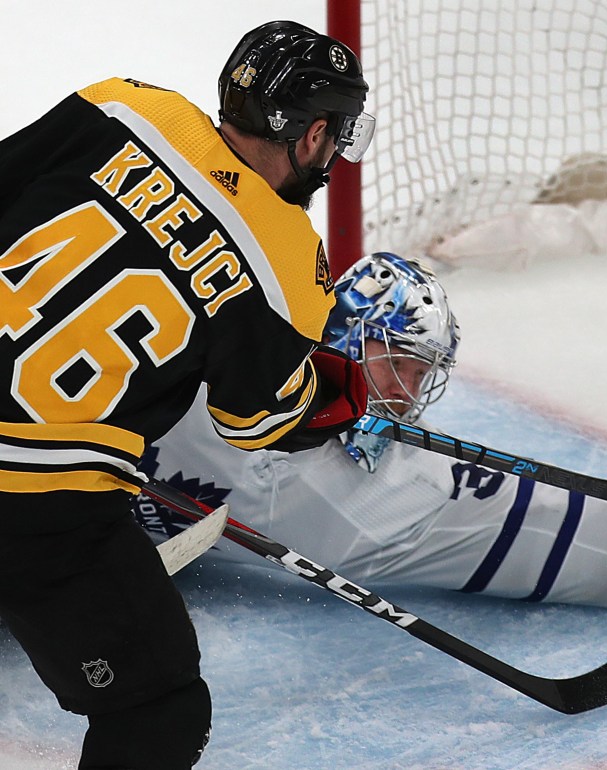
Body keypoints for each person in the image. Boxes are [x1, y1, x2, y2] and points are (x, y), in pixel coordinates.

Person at [136, 252, 607, 613]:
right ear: (343, 336)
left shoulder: (372, 484)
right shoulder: (332, 485)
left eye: (421, 373)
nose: (407, 394)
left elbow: (515, 526)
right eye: (396, 364)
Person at [0, 20, 373, 769]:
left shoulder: (123, 105)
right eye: (335, 135)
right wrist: (324, 395)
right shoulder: (291, 263)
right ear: (311, 135)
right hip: (41, 502)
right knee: (157, 709)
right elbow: (254, 420)